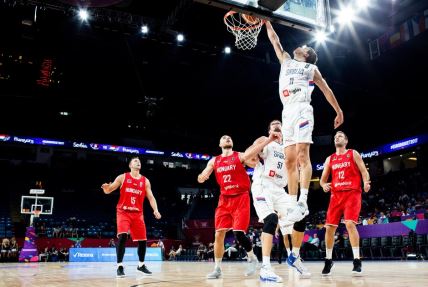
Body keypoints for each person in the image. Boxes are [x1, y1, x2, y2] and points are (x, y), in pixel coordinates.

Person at [265, 21, 344, 223]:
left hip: (302, 108)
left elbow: (327, 90)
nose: (303, 46)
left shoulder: (311, 68)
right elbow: (275, 40)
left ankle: (303, 201)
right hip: (287, 112)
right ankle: (293, 206)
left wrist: (338, 110)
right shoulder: (286, 61)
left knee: (302, 155)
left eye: (306, 47)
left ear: (307, 54)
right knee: (290, 160)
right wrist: (266, 21)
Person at [198, 133, 280, 279]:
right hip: (224, 200)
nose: (227, 138)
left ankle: (252, 257)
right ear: (219, 144)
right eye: (224, 138)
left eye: (229, 137)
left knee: (238, 233)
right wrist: (202, 176)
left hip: (241, 197)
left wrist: (269, 140)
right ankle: (217, 269)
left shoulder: (239, 156)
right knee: (218, 234)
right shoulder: (214, 161)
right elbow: (204, 173)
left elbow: (254, 152)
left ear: (232, 143)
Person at [251, 120, 311, 281]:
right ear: (269, 129)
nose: (277, 124)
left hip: (280, 190)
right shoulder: (264, 140)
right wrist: (268, 140)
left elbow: (294, 172)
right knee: (271, 219)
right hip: (263, 185)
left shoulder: (288, 147)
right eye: (273, 124)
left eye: (279, 123)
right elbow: (246, 156)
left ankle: (294, 256)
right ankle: (265, 268)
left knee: (302, 214)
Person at [320, 131, 370, 276]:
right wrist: (323, 185)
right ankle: (328, 260)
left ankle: (357, 260)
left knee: (349, 223)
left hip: (352, 193)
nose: (337, 138)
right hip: (336, 195)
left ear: (346, 141)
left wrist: (366, 182)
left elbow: (363, 171)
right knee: (329, 228)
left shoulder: (353, 153)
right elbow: (323, 179)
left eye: (340, 136)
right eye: (335, 137)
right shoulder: (330, 159)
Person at [102, 156, 161, 278]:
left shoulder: (145, 181)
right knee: (123, 236)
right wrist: (106, 189)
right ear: (130, 165)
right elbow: (109, 190)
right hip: (123, 212)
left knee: (143, 240)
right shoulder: (122, 177)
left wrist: (155, 210)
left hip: (138, 214)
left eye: (139, 161)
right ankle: (119, 266)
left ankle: (141, 265)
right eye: (135, 161)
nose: (138, 162)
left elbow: (151, 197)